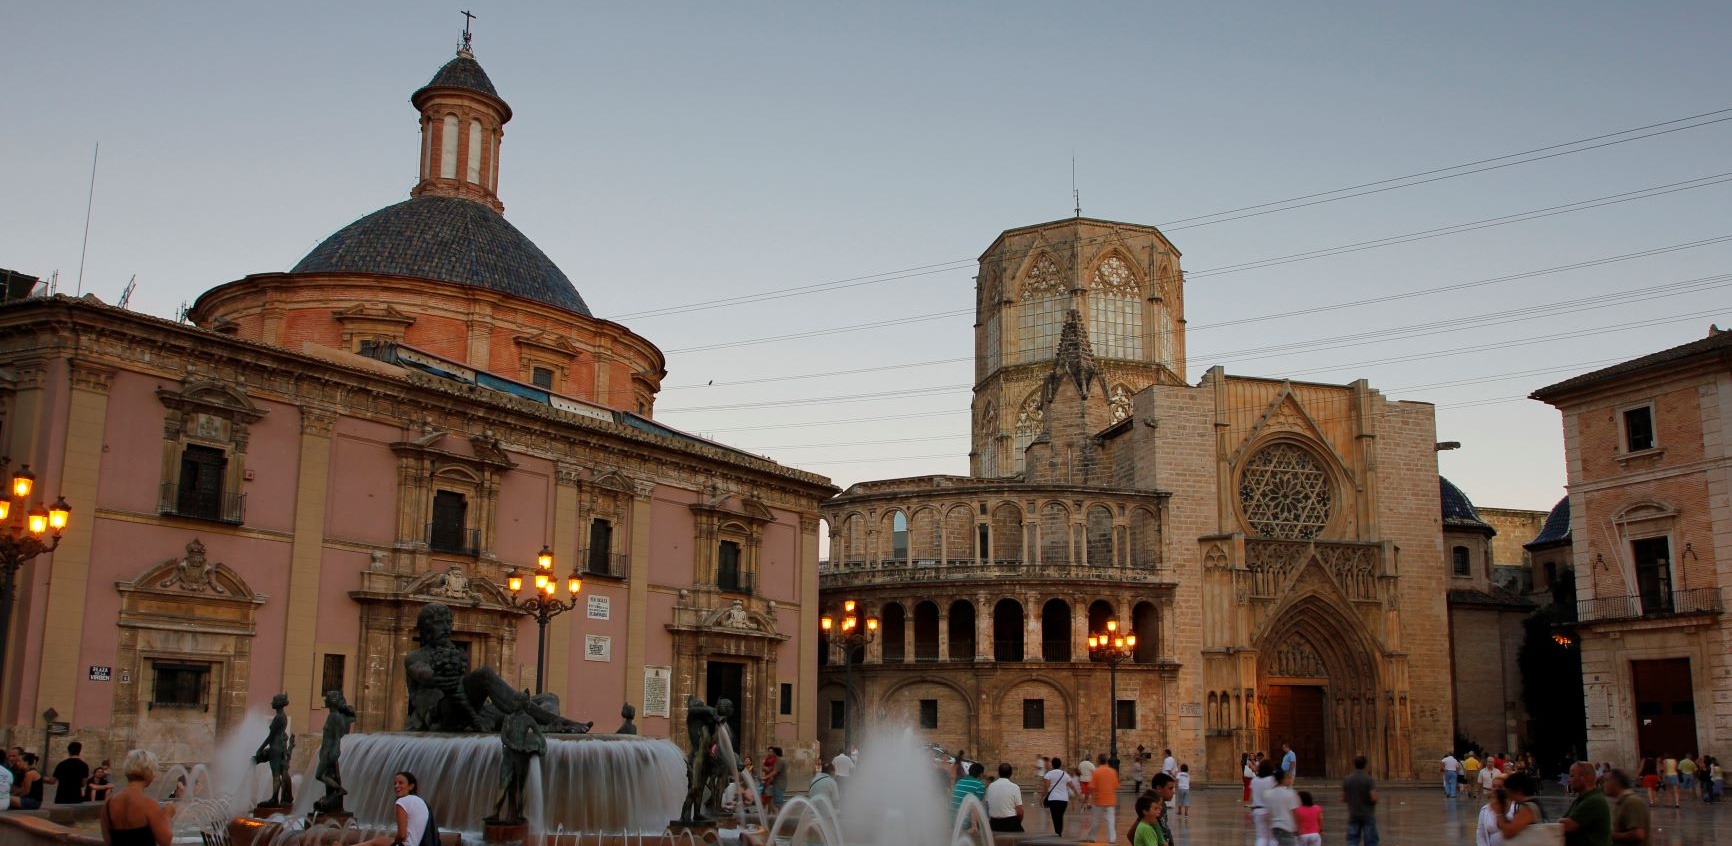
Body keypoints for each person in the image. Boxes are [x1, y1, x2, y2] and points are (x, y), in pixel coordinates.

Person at [100, 750, 174, 846]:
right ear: (149, 773)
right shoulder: (149, 804)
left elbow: (108, 841)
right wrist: (167, 816)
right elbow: (166, 842)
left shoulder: (108, 804)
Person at [356, 772, 432, 846]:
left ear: (411, 786)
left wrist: (395, 843)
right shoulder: (421, 801)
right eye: (395, 783)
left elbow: (402, 835)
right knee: (381, 840)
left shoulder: (402, 801)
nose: (396, 786)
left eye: (401, 783)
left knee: (375, 842)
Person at [1559, 762, 1611, 846]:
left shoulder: (1594, 801)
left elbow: (1564, 825)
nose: (1569, 780)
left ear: (1584, 777)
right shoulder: (1583, 798)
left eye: (1572, 776)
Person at [1341, 754, 1379, 846]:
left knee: (1352, 840)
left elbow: (1344, 799)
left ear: (1354, 765)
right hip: (1367, 814)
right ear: (1366, 765)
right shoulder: (1369, 779)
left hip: (1354, 814)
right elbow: (1374, 798)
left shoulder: (1347, 779)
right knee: (1370, 841)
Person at [1493, 773, 1543, 843]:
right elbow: (1504, 826)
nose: (1506, 792)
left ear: (1518, 790)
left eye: (1507, 789)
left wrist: (1499, 812)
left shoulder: (1529, 807)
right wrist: (1502, 810)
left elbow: (1508, 832)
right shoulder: (1523, 805)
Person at [1604, 770, 1649, 846]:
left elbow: (1638, 834)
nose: (1604, 784)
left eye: (1606, 781)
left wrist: (1613, 836)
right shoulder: (1621, 802)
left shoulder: (1632, 801)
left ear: (1616, 783)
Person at [1081, 755, 1118, 842]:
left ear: (1098, 761)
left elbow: (1090, 787)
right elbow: (1116, 786)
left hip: (1098, 800)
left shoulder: (1096, 772)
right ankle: (1112, 839)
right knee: (1110, 821)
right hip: (1110, 800)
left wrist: (1086, 799)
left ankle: (1092, 837)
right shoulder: (1113, 772)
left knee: (1096, 821)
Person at [1041, 756, 1079, 836]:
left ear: (1052, 764)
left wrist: (1042, 797)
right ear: (1060, 764)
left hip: (1053, 799)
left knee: (1055, 817)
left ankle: (1057, 832)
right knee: (1060, 816)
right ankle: (1059, 833)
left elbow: (1046, 788)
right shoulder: (1065, 774)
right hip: (1063, 800)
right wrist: (1078, 795)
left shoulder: (1048, 774)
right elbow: (1072, 786)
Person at [46, 740, 91, 806]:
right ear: (79, 751)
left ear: (69, 751)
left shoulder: (62, 764)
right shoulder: (84, 765)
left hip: (61, 797)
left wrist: (42, 779)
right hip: (76, 796)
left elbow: (52, 781)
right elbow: (83, 783)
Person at [985, 763, 1024, 832]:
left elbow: (988, 805)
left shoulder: (990, 786)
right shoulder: (1014, 787)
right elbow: (1020, 812)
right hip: (1009, 822)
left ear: (998, 773)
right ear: (1011, 773)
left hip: (994, 823)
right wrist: (1018, 823)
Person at [1251, 759, 1278, 846]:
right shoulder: (1272, 780)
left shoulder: (1254, 781)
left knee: (1261, 836)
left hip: (1258, 810)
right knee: (1272, 836)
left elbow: (1252, 796)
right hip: (1270, 810)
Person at [1145, 773, 1177, 846]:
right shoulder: (1151, 809)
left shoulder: (1163, 805)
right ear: (1159, 788)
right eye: (1170, 788)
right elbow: (1131, 834)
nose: (1173, 792)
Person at [1476, 772, 1507, 846]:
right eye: (1494, 786)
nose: (1496, 789)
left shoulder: (1515, 807)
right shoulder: (1485, 810)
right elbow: (1480, 833)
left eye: (1500, 787)